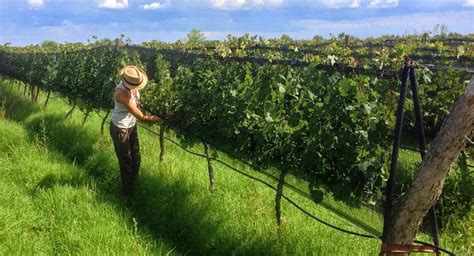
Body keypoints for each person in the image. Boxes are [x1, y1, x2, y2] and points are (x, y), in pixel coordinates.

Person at [109, 65, 160, 195]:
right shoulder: (121, 93)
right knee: (126, 161)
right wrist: (163, 117)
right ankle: (127, 192)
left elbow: (135, 104)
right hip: (120, 128)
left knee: (136, 157)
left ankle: (134, 183)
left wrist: (137, 105)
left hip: (131, 125)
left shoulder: (133, 86)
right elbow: (142, 117)